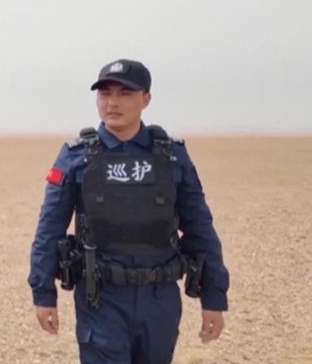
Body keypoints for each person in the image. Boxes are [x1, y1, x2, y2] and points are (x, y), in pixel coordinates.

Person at [28, 58, 230, 364]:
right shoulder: (76, 157)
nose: (112, 103)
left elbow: (200, 227)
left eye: (125, 93)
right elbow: (49, 229)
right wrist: (43, 294)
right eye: (105, 93)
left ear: (146, 99)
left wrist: (214, 296)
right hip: (101, 300)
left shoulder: (172, 157)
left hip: (159, 299)